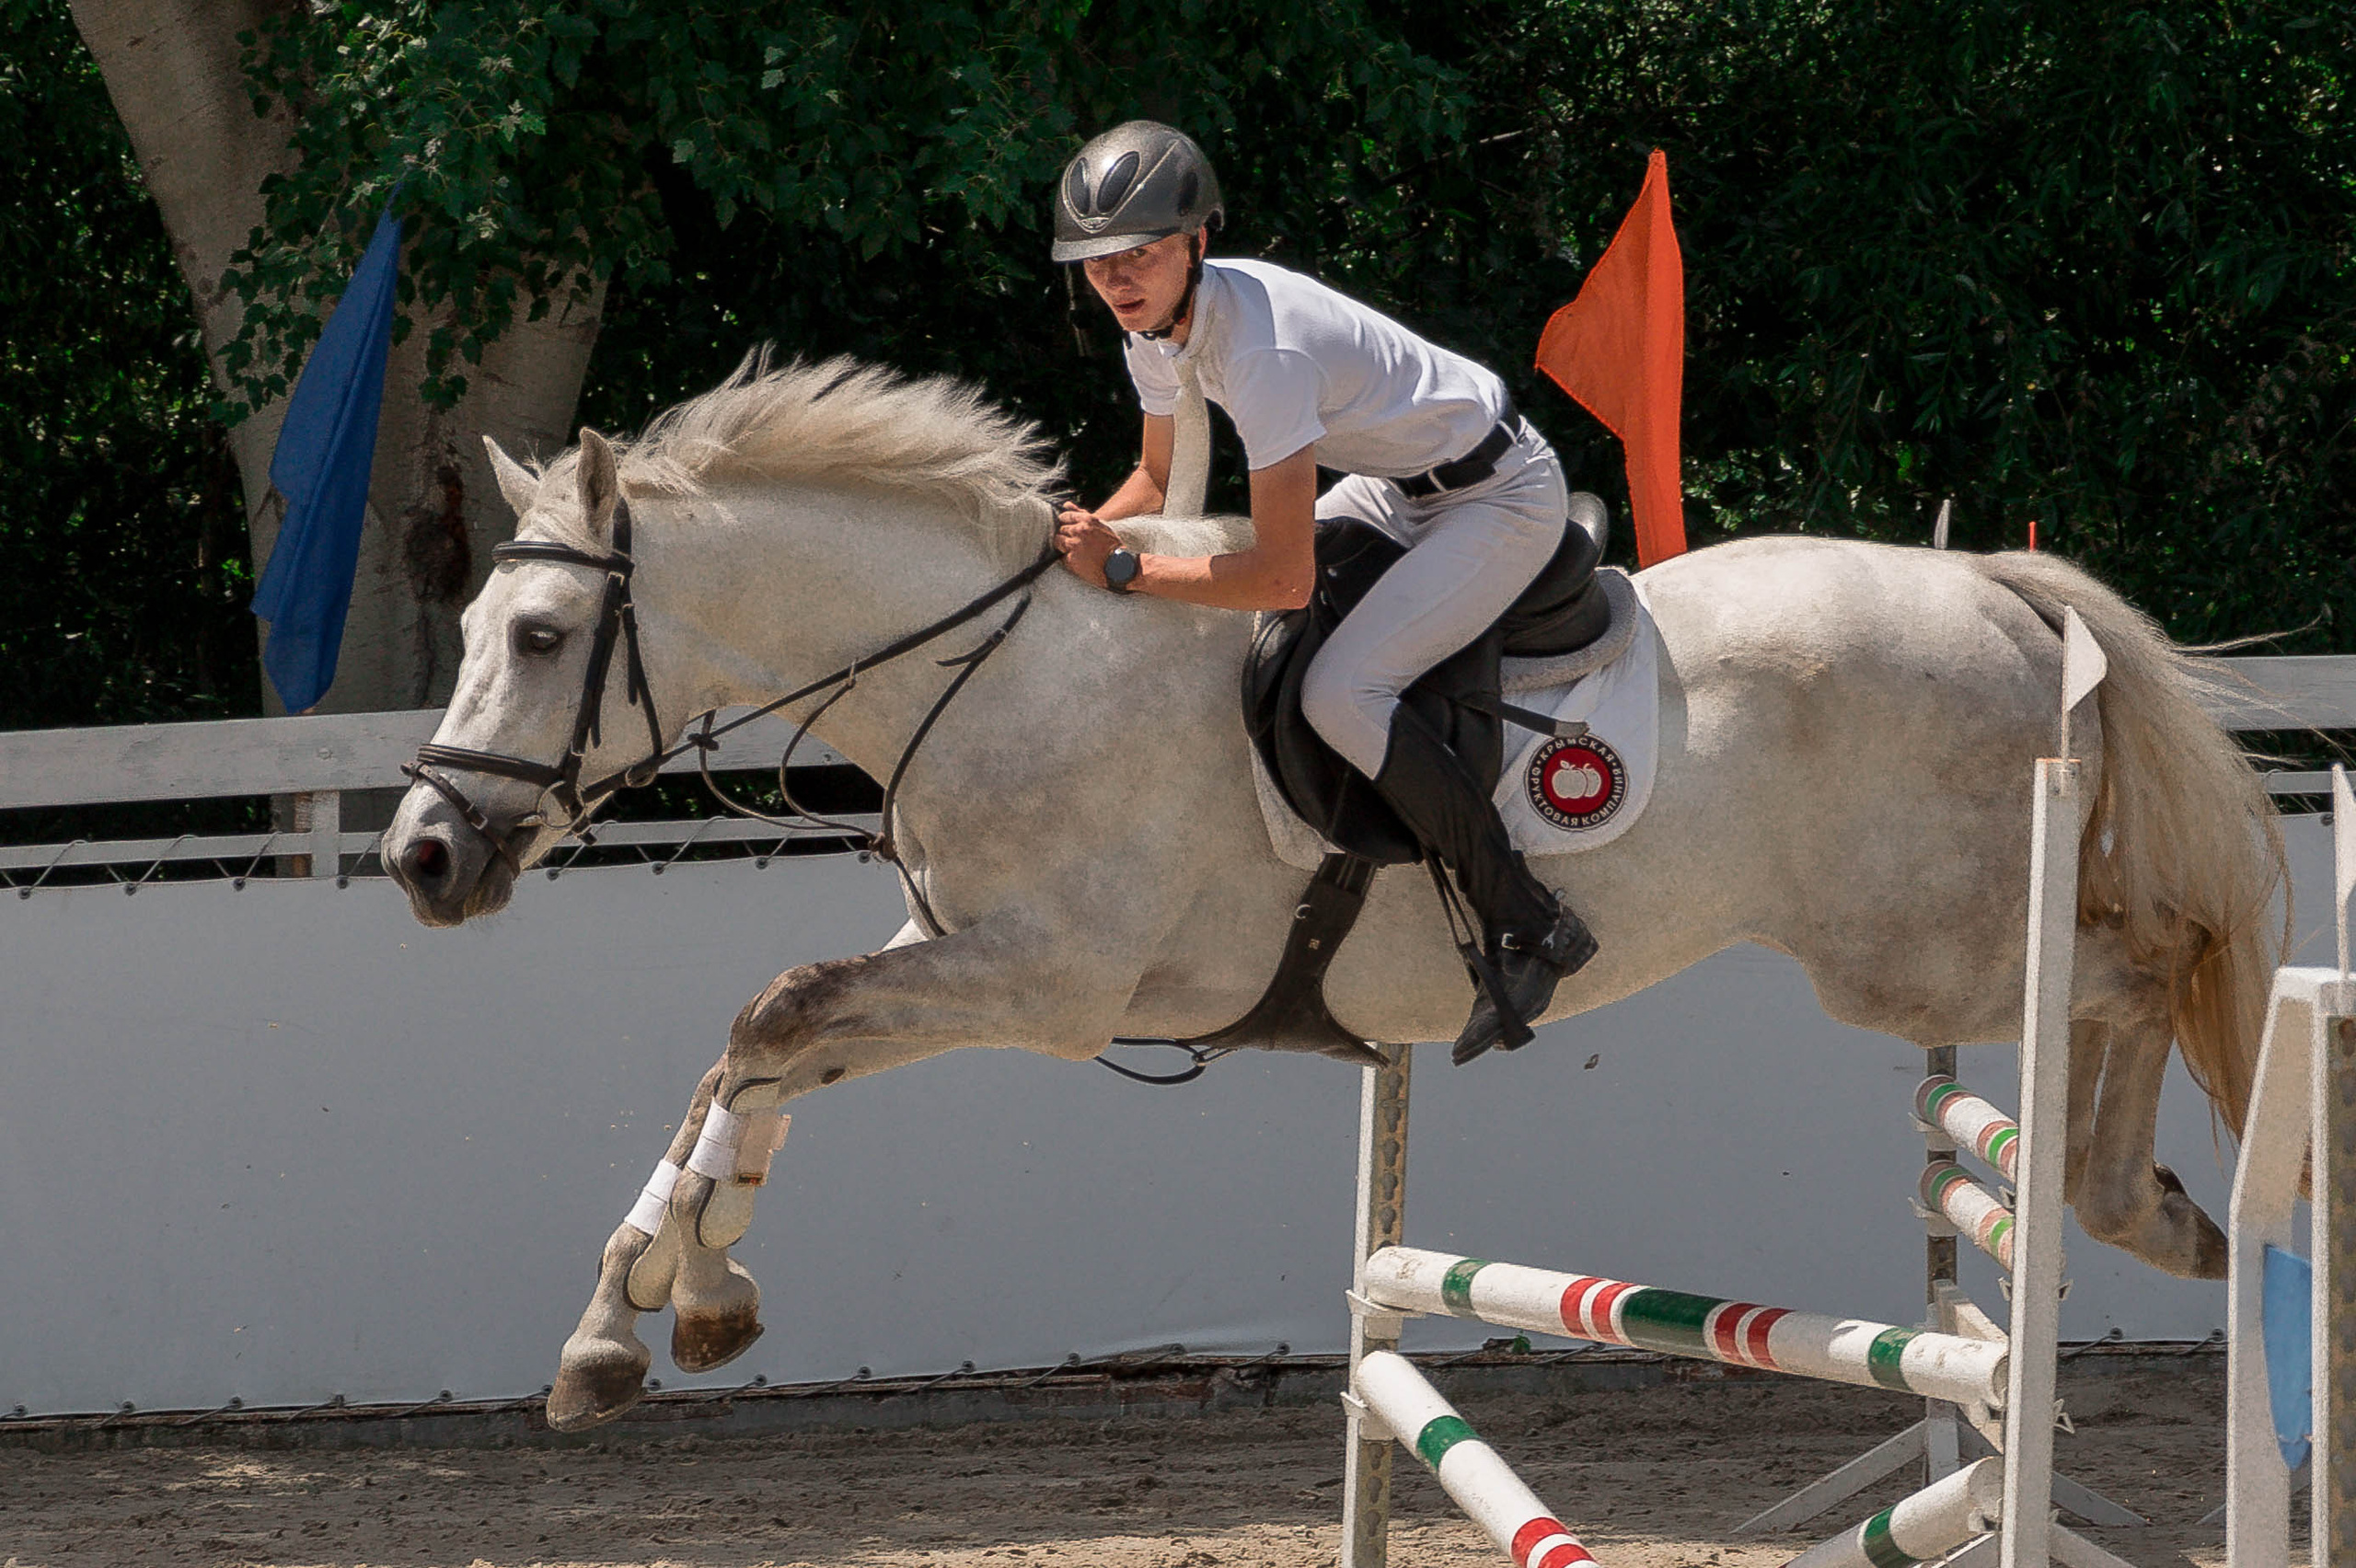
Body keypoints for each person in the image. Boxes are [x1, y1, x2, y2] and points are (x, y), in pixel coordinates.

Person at [1048, 120, 1597, 1063]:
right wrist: (1060, 553)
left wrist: (1131, 570)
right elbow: (1151, 484)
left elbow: (1281, 573)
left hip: (1498, 498)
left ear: (1194, 243)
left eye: (1139, 255)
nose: (1118, 278)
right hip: (1397, 485)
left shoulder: (1262, 353)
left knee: (1340, 692)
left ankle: (1530, 921)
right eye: (1098, 264)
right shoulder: (1154, 329)